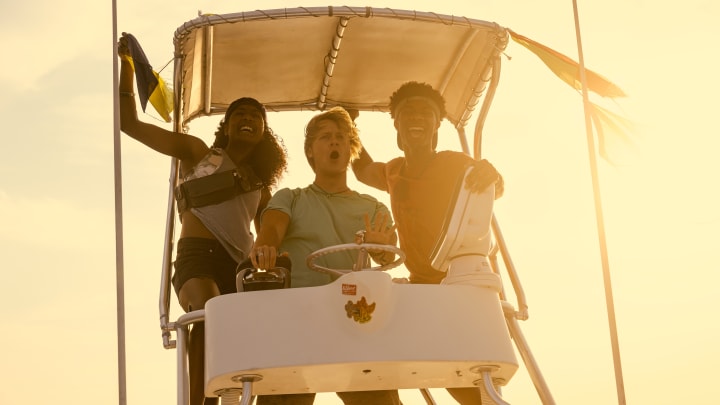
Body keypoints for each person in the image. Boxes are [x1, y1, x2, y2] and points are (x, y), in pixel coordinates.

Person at [117, 35, 288, 405]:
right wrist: (127, 68)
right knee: (209, 315)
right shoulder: (197, 153)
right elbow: (129, 125)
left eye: (256, 116)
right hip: (197, 255)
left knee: (237, 338)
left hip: (237, 265)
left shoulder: (261, 188)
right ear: (226, 126)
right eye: (239, 114)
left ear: (263, 132)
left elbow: (271, 234)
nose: (248, 118)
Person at [351, 81, 504, 404]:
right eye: (407, 112)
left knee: (464, 375)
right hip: (421, 287)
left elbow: (492, 184)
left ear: (437, 125)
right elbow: (363, 170)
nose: (416, 117)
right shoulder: (394, 171)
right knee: (401, 350)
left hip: (457, 282)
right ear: (397, 125)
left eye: (425, 112)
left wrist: (492, 174)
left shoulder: (454, 163)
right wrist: (349, 123)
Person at [249, 107, 401, 405]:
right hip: (300, 315)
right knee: (281, 396)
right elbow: (271, 231)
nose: (334, 143)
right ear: (311, 152)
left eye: (341, 138)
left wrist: (379, 246)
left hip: (356, 316)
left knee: (380, 397)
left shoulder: (372, 207)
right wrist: (265, 247)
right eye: (326, 137)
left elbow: (388, 254)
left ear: (350, 149)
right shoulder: (290, 197)